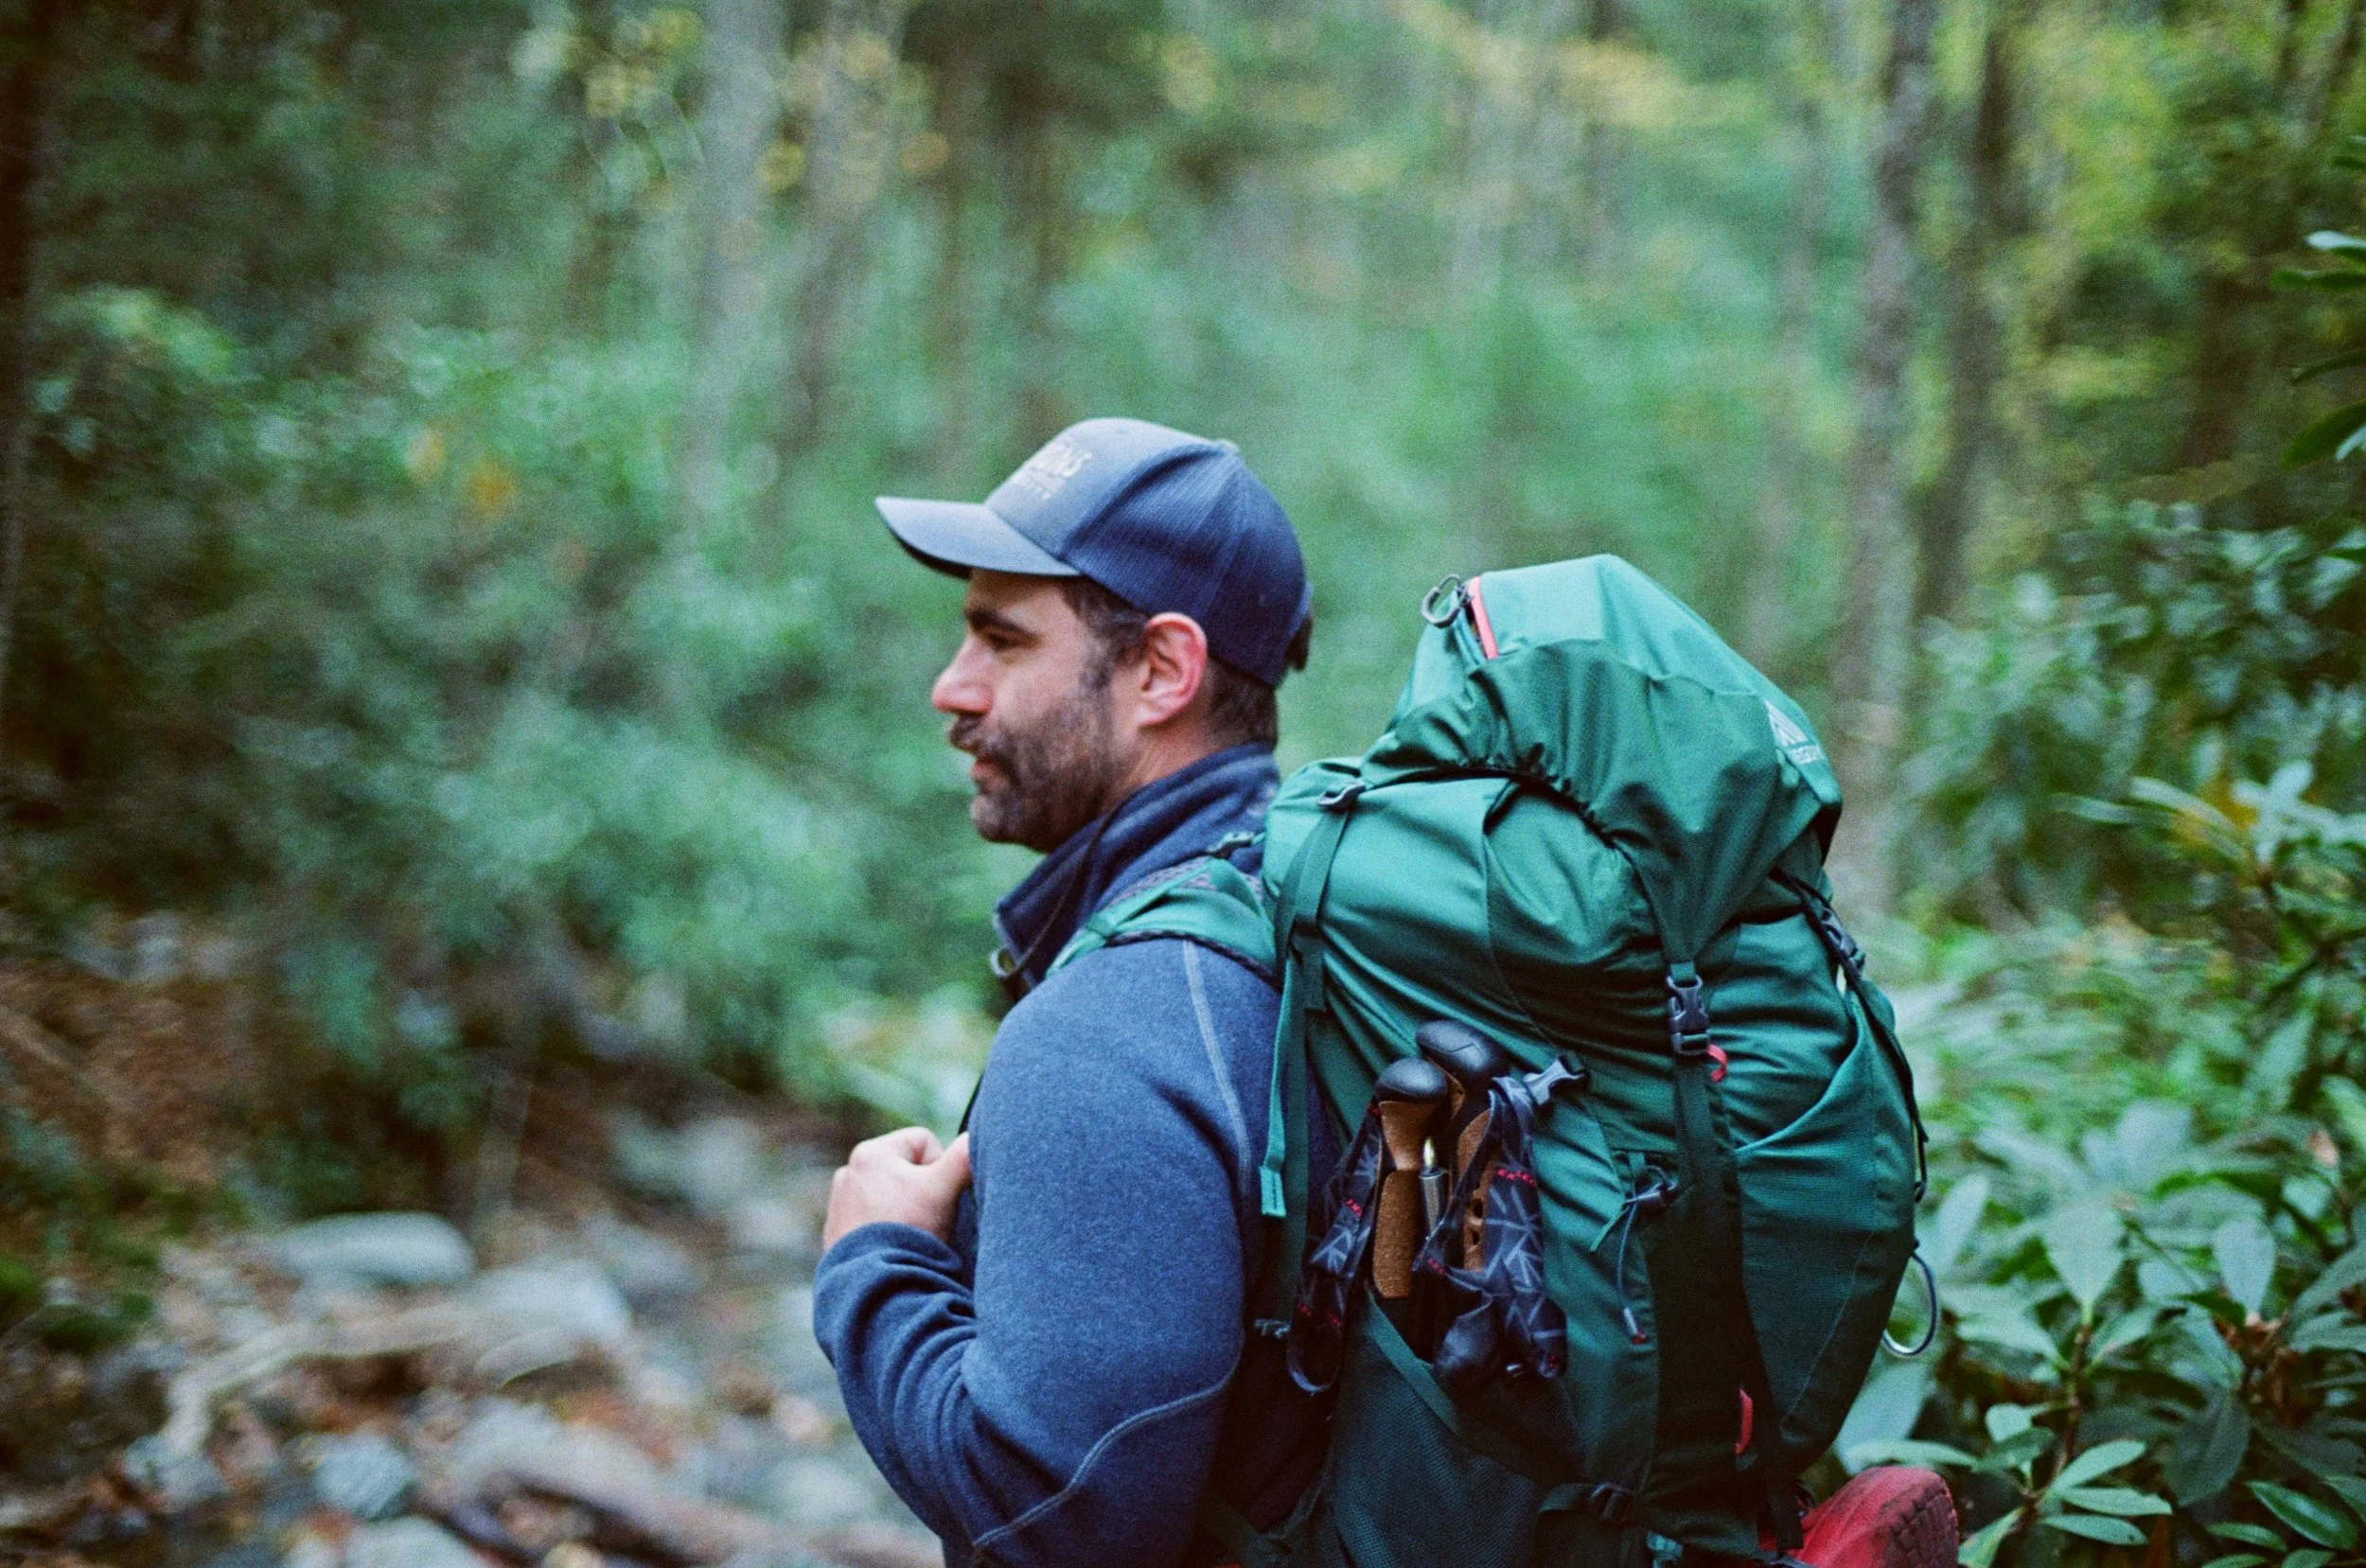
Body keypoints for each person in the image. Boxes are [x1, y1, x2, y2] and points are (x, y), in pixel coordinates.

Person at [811, 417, 1330, 1568]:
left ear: (1162, 670)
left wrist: (874, 1264)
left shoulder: (1115, 1026)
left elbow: (1055, 1520)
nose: (951, 687)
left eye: (1002, 640)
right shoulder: (1295, 913)